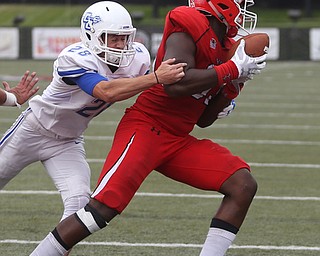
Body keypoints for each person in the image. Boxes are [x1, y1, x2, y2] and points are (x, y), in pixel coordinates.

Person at [29, 0, 267, 255]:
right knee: (100, 210)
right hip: (147, 128)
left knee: (242, 185)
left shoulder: (228, 49)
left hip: (178, 139)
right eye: (239, 2)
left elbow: (203, 120)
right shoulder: (189, 23)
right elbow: (175, 85)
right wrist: (230, 70)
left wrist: (232, 87)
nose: (243, 8)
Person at [0, 0, 186, 254]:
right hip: (34, 130)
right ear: (91, 36)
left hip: (68, 141)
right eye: (112, 39)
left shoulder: (139, 57)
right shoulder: (74, 57)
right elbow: (105, 91)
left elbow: (170, 86)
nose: (121, 45)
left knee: (78, 204)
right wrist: (155, 78)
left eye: (124, 38)